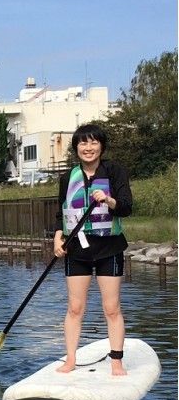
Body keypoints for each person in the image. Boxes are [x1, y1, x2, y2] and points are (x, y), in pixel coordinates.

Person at [53, 124, 132, 376]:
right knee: (75, 307)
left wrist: (108, 200)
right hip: (77, 249)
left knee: (111, 307)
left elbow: (126, 207)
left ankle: (117, 361)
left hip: (109, 247)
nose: (88, 148)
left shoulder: (115, 172)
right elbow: (61, 213)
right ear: (77, 148)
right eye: (83, 144)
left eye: (94, 143)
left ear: (101, 146)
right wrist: (57, 238)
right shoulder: (68, 177)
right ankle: (71, 359)